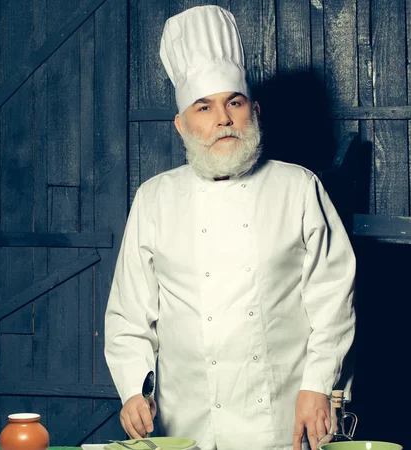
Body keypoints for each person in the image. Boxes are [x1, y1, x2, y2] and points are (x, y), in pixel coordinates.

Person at [104, 5, 356, 450]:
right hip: (185, 426)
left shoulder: (297, 188)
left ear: (253, 111)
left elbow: (333, 297)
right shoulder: (154, 199)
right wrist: (131, 391)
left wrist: (319, 384)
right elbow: (129, 315)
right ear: (182, 125)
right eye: (204, 107)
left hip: (282, 423)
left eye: (233, 103)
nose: (222, 119)